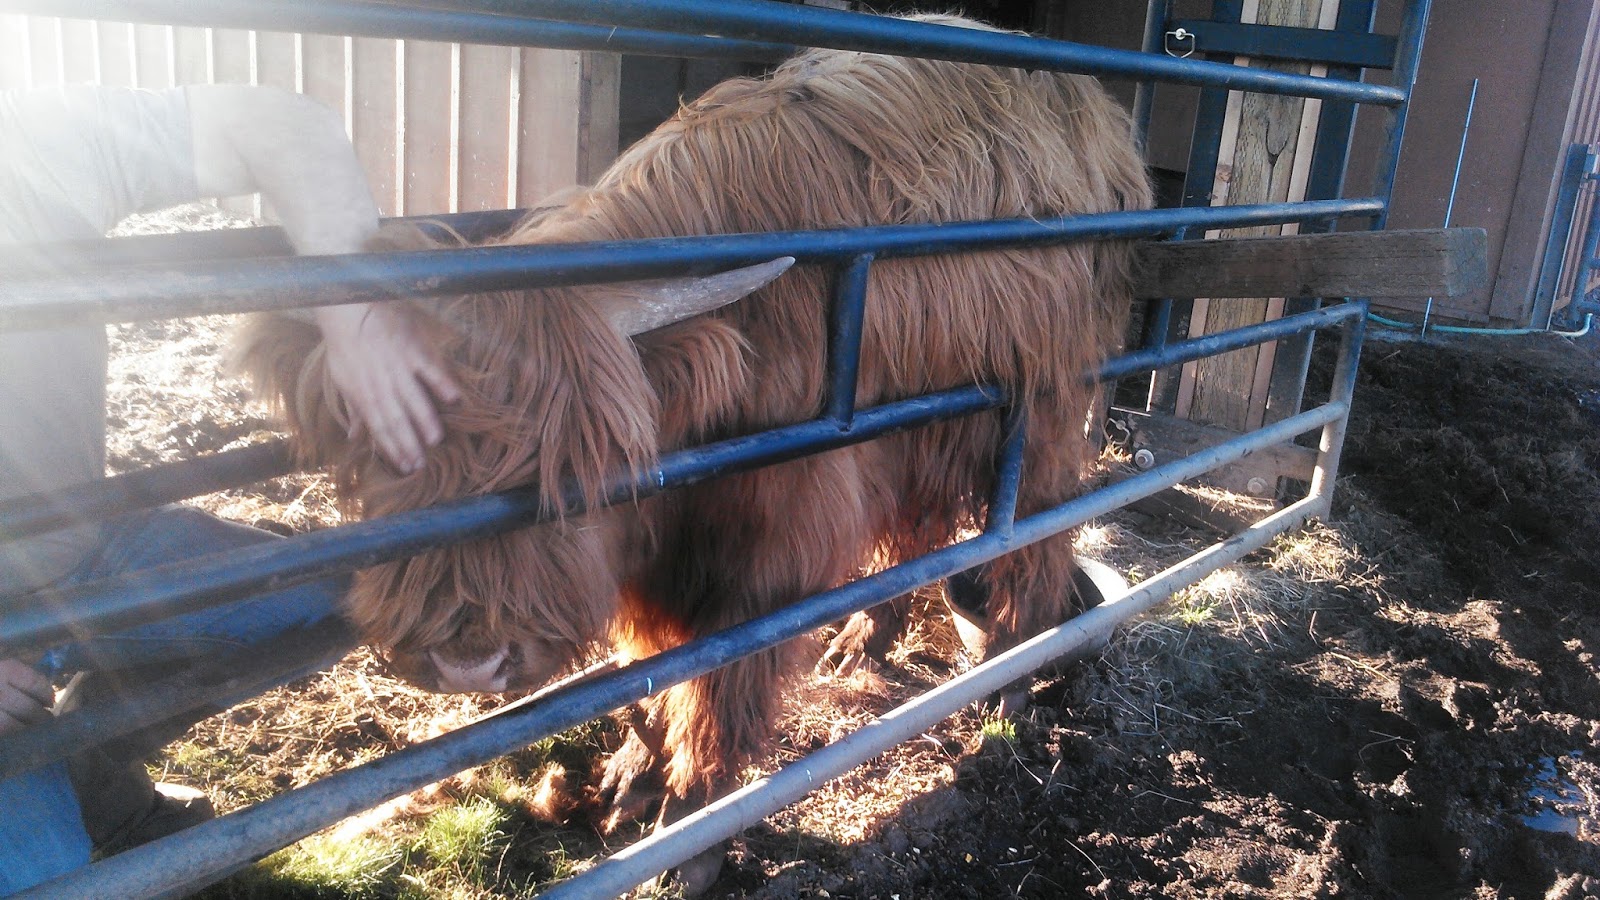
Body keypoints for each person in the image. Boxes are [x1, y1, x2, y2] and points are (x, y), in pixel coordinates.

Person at [0, 83, 460, 895]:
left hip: (83, 547)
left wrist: (351, 314)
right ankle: (78, 788)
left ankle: (93, 765)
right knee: (45, 876)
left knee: (325, 604)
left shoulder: (30, 141)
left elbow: (286, 125)